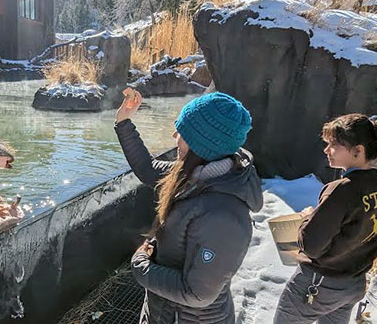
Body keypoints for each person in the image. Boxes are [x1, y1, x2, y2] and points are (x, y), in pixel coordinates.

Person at [114, 90, 263, 324]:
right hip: (163, 312)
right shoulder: (193, 173)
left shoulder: (224, 215)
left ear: (203, 145)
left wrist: (140, 263)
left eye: (182, 132)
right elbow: (148, 168)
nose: (174, 134)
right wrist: (124, 122)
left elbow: (197, 293)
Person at [274, 113, 377, 324]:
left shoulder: (342, 190)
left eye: (334, 145)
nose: (326, 150)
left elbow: (311, 246)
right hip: (353, 283)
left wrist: (308, 218)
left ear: (358, 151)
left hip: (318, 283)